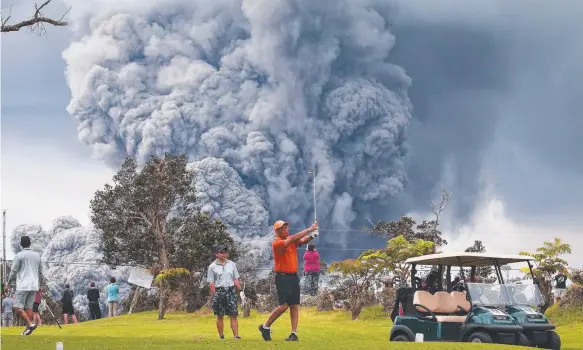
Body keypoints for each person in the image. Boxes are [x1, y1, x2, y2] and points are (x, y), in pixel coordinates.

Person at [259, 220, 318, 342]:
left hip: (293, 276)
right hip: (282, 277)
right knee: (284, 306)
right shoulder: (278, 243)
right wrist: (309, 229)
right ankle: (265, 326)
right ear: (277, 231)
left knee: (294, 305)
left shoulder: (291, 240)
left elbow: (302, 241)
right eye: (283, 228)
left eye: (286, 227)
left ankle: (293, 333)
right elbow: (291, 240)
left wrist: (313, 235)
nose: (286, 229)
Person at [7, 235, 42, 335]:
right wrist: (40, 285)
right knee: (29, 307)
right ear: (30, 243)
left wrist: (8, 284)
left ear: (21, 244)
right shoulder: (37, 256)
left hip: (23, 285)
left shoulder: (19, 256)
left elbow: (13, 271)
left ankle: (30, 324)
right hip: (34, 285)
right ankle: (28, 330)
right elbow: (40, 272)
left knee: (17, 307)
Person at [206, 245, 242, 340]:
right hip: (219, 291)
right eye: (221, 252)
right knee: (220, 315)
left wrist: (241, 291)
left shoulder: (231, 264)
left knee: (233, 314)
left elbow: (235, 279)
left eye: (225, 252)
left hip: (230, 291)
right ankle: (221, 336)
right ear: (217, 254)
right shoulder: (212, 267)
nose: (224, 254)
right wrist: (215, 295)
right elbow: (211, 283)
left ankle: (236, 336)